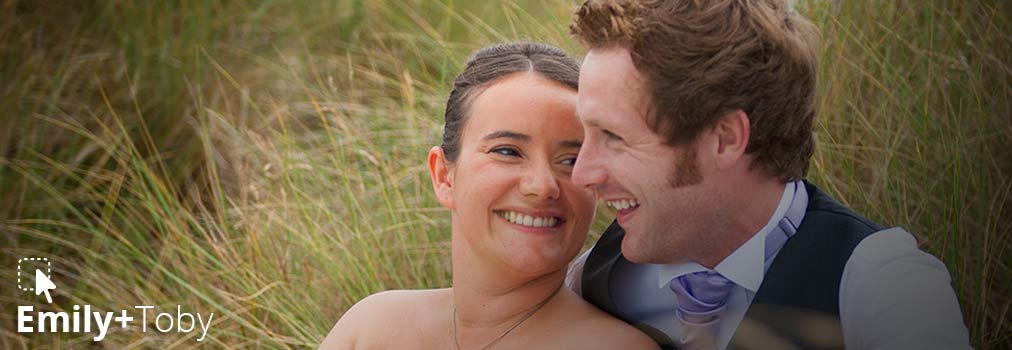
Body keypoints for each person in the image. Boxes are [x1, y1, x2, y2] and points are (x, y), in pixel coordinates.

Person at [563, 1, 973, 350]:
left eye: (614, 137)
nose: (582, 174)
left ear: (725, 139)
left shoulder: (883, 285)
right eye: (586, 134)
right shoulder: (592, 275)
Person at [320, 42, 657, 349]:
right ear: (444, 177)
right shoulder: (372, 326)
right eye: (508, 151)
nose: (541, 186)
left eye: (570, 160)